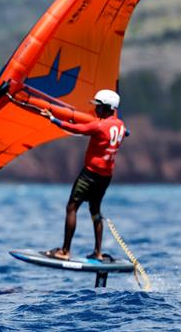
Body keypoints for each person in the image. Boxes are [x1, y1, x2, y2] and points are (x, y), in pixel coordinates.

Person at [40, 89, 127, 261]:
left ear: (108, 108)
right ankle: (98, 252)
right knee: (95, 211)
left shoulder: (99, 126)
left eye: (99, 107)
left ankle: (65, 251)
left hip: (89, 175)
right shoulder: (121, 126)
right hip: (105, 177)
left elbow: (76, 128)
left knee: (72, 208)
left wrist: (52, 119)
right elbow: (124, 132)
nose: (96, 110)